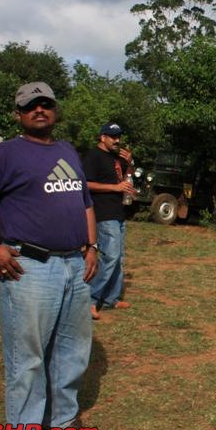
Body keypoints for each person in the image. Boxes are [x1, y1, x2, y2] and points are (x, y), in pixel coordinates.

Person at [0, 82, 98, 430]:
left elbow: (85, 202)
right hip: (30, 268)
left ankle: (62, 425)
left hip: (74, 266)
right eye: (31, 105)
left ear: (55, 110)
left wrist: (92, 246)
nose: (39, 110)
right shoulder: (5, 155)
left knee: (72, 353)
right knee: (27, 359)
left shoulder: (68, 151)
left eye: (45, 104)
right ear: (18, 114)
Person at [82, 122, 135, 319]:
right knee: (110, 256)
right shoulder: (93, 156)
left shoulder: (116, 157)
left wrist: (130, 164)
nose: (117, 140)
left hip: (118, 212)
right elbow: (85, 184)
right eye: (113, 136)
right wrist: (115, 188)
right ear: (102, 137)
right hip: (103, 214)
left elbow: (126, 180)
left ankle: (111, 298)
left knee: (119, 258)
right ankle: (90, 299)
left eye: (118, 136)